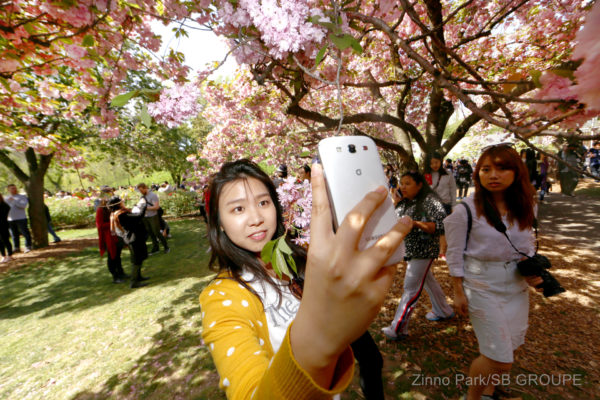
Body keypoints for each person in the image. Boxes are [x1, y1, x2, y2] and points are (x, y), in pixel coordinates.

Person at [199, 159, 411, 399]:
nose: (256, 217)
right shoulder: (221, 297)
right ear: (220, 223)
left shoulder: (301, 257)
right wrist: (322, 340)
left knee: (372, 358)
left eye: (263, 202)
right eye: (238, 209)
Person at [443, 144, 543, 400]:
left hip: (516, 285)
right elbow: (453, 253)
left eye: (501, 168)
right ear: (477, 174)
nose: (493, 175)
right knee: (500, 359)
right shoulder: (464, 210)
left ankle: (489, 391)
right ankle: (473, 397)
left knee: (512, 344)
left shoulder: (526, 205)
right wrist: (458, 291)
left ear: (516, 172)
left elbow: (526, 244)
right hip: (480, 285)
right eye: (486, 169)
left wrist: (533, 271)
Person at [381, 171, 454, 340]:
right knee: (427, 280)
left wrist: (415, 224)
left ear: (419, 184)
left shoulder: (430, 201)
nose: (403, 187)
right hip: (411, 250)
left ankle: (398, 328)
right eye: (402, 183)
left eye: (408, 183)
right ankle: (443, 310)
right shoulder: (405, 202)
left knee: (411, 287)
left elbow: (440, 226)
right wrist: (396, 202)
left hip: (424, 250)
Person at [108, 196, 150, 288]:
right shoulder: (121, 214)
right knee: (137, 260)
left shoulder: (117, 213)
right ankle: (134, 282)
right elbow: (138, 216)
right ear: (118, 204)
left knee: (139, 258)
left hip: (134, 237)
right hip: (133, 238)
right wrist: (143, 205)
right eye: (121, 202)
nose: (123, 202)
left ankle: (138, 277)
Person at [96, 194, 127, 283]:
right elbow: (100, 225)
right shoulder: (101, 210)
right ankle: (115, 276)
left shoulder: (113, 208)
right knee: (112, 256)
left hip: (117, 235)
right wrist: (113, 222)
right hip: (108, 236)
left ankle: (121, 273)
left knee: (118, 255)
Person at [136, 183, 169, 255]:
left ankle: (166, 247)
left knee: (156, 232)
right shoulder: (142, 197)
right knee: (150, 233)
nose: (140, 192)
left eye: (141, 190)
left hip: (153, 216)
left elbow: (156, 207)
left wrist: (145, 208)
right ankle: (155, 248)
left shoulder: (153, 195)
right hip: (145, 217)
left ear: (145, 188)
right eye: (139, 191)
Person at [4, 184, 32, 253]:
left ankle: (28, 246)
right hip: (10, 219)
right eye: (12, 188)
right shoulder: (6, 198)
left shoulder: (22, 196)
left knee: (25, 232)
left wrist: (14, 200)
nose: (14, 189)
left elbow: (23, 206)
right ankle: (16, 247)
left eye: (15, 188)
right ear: (8, 190)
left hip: (21, 218)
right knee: (14, 234)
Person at [0, 193, 13, 263]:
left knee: (5, 240)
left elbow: (4, 215)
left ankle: (10, 255)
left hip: (3, 225)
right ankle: (3, 256)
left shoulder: (4, 205)